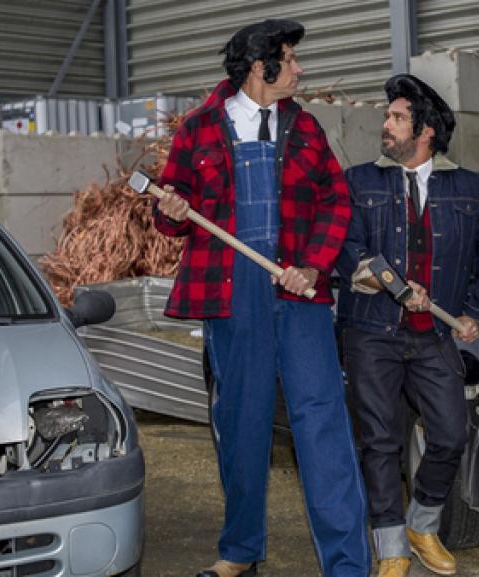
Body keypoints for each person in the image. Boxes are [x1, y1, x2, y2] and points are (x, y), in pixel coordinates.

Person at [153, 19, 371, 577]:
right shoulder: (199, 129)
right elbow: (168, 211)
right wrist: (172, 208)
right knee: (241, 424)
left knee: (321, 425)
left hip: (299, 291)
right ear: (259, 68)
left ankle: (347, 564)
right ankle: (240, 550)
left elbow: (336, 203)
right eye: (290, 59)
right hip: (231, 294)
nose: (299, 69)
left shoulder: (306, 128)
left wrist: (312, 267)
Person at [336, 74, 479, 577]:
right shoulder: (360, 182)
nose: (385, 125)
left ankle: (423, 523)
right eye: (387, 117)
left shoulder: (469, 190)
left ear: (426, 131)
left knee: (450, 435)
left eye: (396, 118)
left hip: (435, 336)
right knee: (380, 441)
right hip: (371, 333)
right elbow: (344, 249)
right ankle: (391, 547)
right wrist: (387, 283)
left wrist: (474, 314)